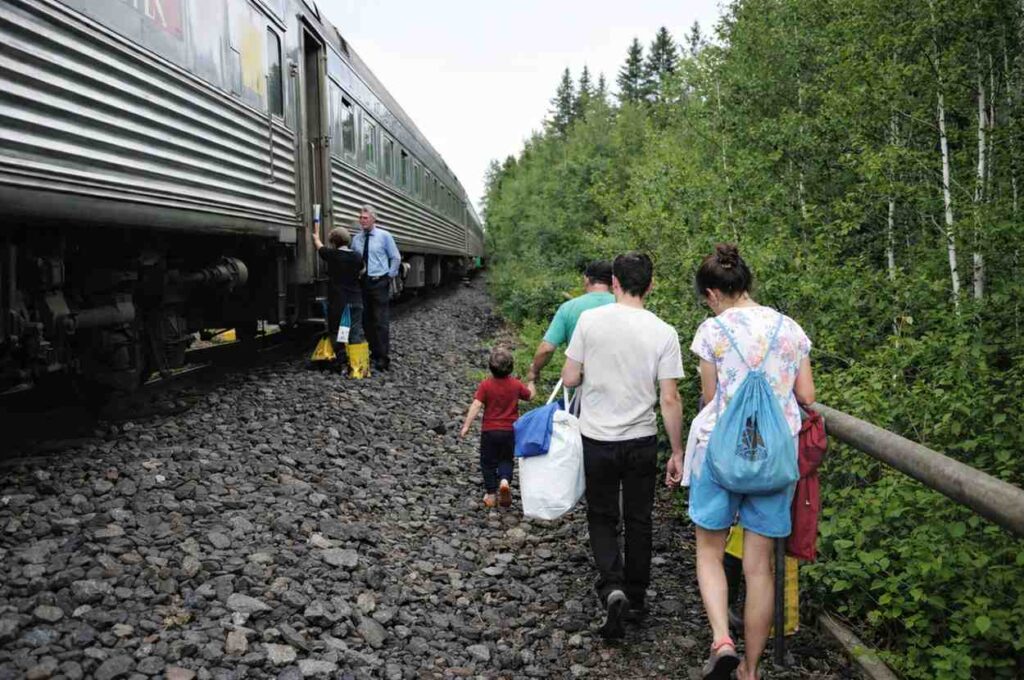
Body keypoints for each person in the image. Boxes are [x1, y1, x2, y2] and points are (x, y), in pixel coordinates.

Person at [666, 243, 815, 680]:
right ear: (747, 283)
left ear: (712, 294)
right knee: (759, 568)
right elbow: (806, 396)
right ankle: (750, 670)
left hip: (722, 456)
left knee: (710, 552)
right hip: (774, 460)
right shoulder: (791, 330)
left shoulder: (712, 332)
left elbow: (711, 399)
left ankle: (722, 639)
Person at [560, 252, 685, 640]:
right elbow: (669, 398)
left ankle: (612, 586)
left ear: (614, 282)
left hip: (596, 437)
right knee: (639, 519)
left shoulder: (589, 321)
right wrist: (678, 452)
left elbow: (570, 376)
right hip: (641, 440)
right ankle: (637, 596)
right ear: (650, 285)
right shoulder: (664, 331)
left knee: (601, 516)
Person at [459, 347, 536, 507]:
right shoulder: (515, 384)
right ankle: (504, 481)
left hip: (490, 431)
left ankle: (491, 494)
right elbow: (530, 396)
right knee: (506, 460)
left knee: (487, 462)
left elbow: (476, 405)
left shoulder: (486, 385)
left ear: (490, 367)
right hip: (509, 431)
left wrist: (466, 425)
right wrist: (531, 381)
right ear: (511, 367)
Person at [349, 205, 401, 371]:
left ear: (373, 219)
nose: (362, 221)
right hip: (362, 282)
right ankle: (373, 352)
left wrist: (388, 277)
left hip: (379, 282)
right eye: (360, 218)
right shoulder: (357, 239)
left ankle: (383, 357)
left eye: (365, 218)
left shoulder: (384, 236)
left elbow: (395, 258)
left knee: (380, 320)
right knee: (366, 320)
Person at [312, 225, 364, 369]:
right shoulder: (357, 256)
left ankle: (340, 363)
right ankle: (358, 367)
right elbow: (361, 271)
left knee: (339, 332)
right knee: (355, 333)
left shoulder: (332, 255)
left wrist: (316, 236)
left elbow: (320, 247)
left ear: (334, 243)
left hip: (340, 302)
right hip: (356, 300)